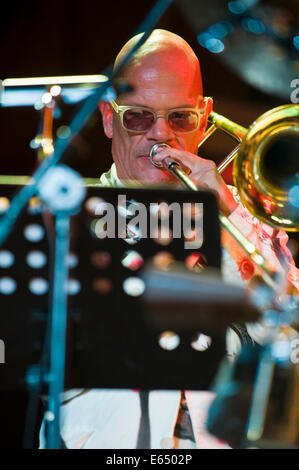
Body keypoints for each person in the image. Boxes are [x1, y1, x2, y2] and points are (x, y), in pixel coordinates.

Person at [39, 29, 299, 449]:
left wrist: (229, 220)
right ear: (109, 117)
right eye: (138, 116)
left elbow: (295, 329)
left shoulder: (243, 218)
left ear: (204, 114)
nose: (161, 135)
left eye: (180, 117)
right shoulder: (68, 217)